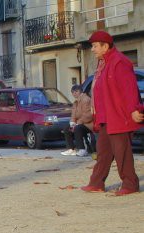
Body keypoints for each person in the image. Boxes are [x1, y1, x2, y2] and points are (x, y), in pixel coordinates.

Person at [82, 31, 143, 195]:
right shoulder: (103, 64)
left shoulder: (119, 62)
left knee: (121, 152)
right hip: (105, 118)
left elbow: (129, 89)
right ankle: (96, 183)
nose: (93, 49)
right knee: (103, 152)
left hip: (119, 116)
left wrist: (135, 109)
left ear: (105, 46)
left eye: (95, 46)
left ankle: (130, 184)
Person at [61, 85, 95, 157]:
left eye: (76, 91)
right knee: (67, 128)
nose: (74, 94)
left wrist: (77, 123)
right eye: (72, 92)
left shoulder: (86, 100)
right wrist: (72, 122)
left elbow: (88, 115)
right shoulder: (76, 102)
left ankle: (82, 149)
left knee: (78, 128)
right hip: (80, 123)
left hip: (89, 124)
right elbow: (73, 114)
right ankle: (71, 149)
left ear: (80, 91)